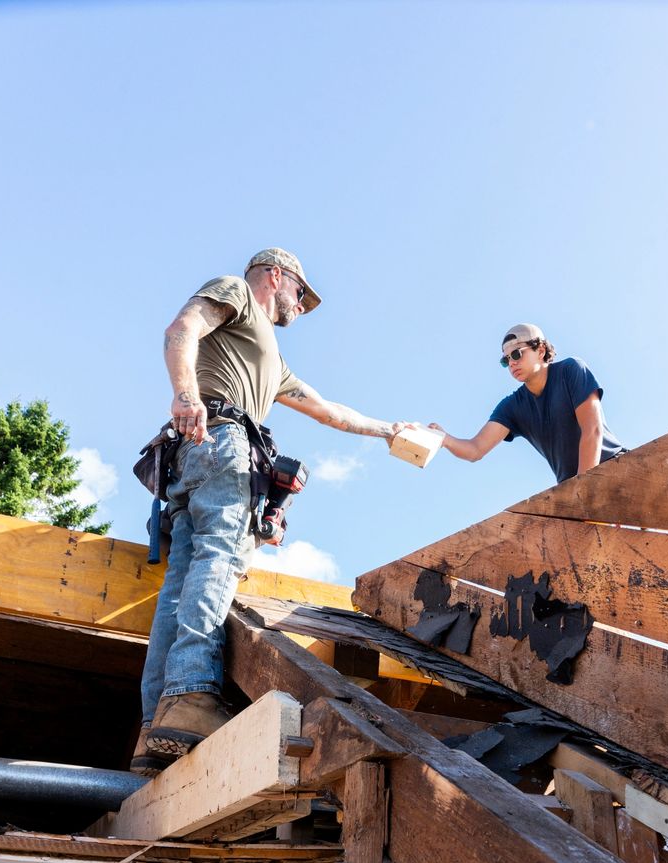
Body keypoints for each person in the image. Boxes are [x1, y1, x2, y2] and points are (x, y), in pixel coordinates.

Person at [131, 247, 405, 775]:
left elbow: (329, 412)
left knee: (183, 579)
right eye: (299, 293)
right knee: (220, 559)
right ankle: (190, 693)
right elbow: (180, 329)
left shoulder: (272, 363)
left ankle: (154, 725)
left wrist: (389, 429)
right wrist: (186, 395)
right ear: (275, 276)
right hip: (220, 439)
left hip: (197, 457)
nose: (300, 306)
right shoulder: (236, 293)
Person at [430, 323, 624, 483]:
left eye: (517, 354)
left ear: (540, 350)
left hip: (618, 469)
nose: (512, 363)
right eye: (506, 360)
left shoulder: (570, 370)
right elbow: (475, 449)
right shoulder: (512, 407)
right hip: (571, 491)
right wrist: (444, 439)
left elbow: (593, 430)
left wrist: (582, 490)